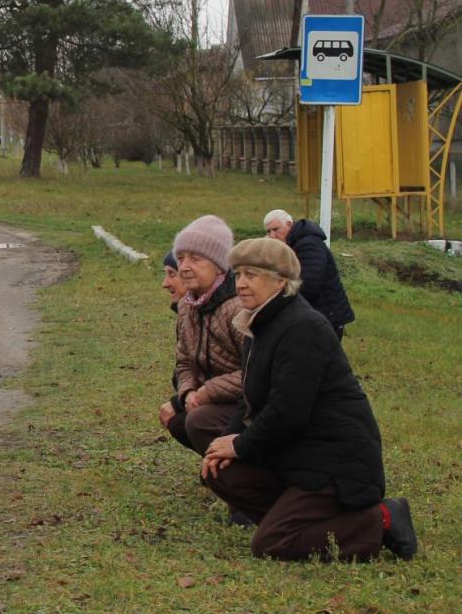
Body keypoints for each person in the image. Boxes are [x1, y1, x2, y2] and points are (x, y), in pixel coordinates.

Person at [200, 238, 417, 561]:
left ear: (281, 281)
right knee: (220, 471)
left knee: (271, 544)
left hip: (334, 462)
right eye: (239, 274)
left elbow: (288, 412)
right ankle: (296, 520)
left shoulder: (303, 327)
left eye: (252, 275)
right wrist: (222, 444)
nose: (241, 284)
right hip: (296, 454)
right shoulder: (257, 324)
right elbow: (249, 401)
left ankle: (381, 518)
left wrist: (241, 445)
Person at [159, 215, 244, 454]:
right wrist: (186, 393)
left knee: (198, 420)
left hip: (251, 401)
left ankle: (241, 469)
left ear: (219, 266)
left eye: (195, 259)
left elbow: (258, 371)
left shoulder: (238, 307)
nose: (184, 266)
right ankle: (220, 464)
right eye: (181, 258)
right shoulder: (188, 305)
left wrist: (207, 392)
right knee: (177, 418)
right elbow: (184, 361)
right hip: (215, 397)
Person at [263, 209, 354, 338]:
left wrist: (278, 305)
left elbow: (309, 285)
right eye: (268, 231)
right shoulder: (292, 245)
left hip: (326, 315)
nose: (272, 235)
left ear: (289, 225)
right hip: (314, 314)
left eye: (276, 229)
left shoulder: (309, 244)